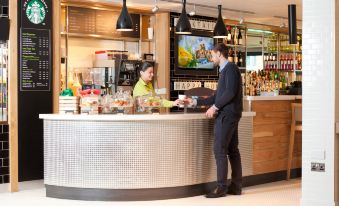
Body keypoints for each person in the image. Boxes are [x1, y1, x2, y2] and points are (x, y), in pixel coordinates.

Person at [186, 43, 243, 198]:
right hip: (231, 114)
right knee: (232, 150)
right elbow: (218, 95)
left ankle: (221, 188)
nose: (211, 57)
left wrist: (215, 107)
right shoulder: (225, 71)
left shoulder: (230, 69)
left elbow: (230, 93)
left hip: (227, 115)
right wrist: (196, 102)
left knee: (220, 150)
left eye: (212, 54)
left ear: (219, 54)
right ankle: (236, 187)